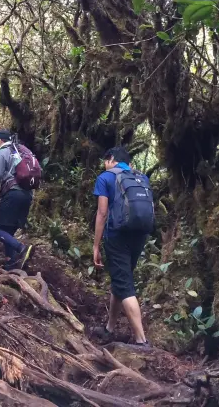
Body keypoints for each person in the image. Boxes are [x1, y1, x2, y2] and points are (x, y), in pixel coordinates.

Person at [92, 146, 154, 346]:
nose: (105, 165)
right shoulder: (142, 178)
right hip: (139, 235)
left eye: (105, 161)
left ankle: (141, 341)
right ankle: (109, 329)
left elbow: (102, 213)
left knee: (125, 286)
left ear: (111, 159)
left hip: (117, 236)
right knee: (120, 281)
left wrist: (96, 246)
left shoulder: (106, 177)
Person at [0, 130, 34, 271]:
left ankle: (21, 248)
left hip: (13, 195)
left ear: (0, 142)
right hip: (27, 196)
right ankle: (11, 264)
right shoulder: (23, 150)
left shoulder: (2, 152)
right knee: (8, 231)